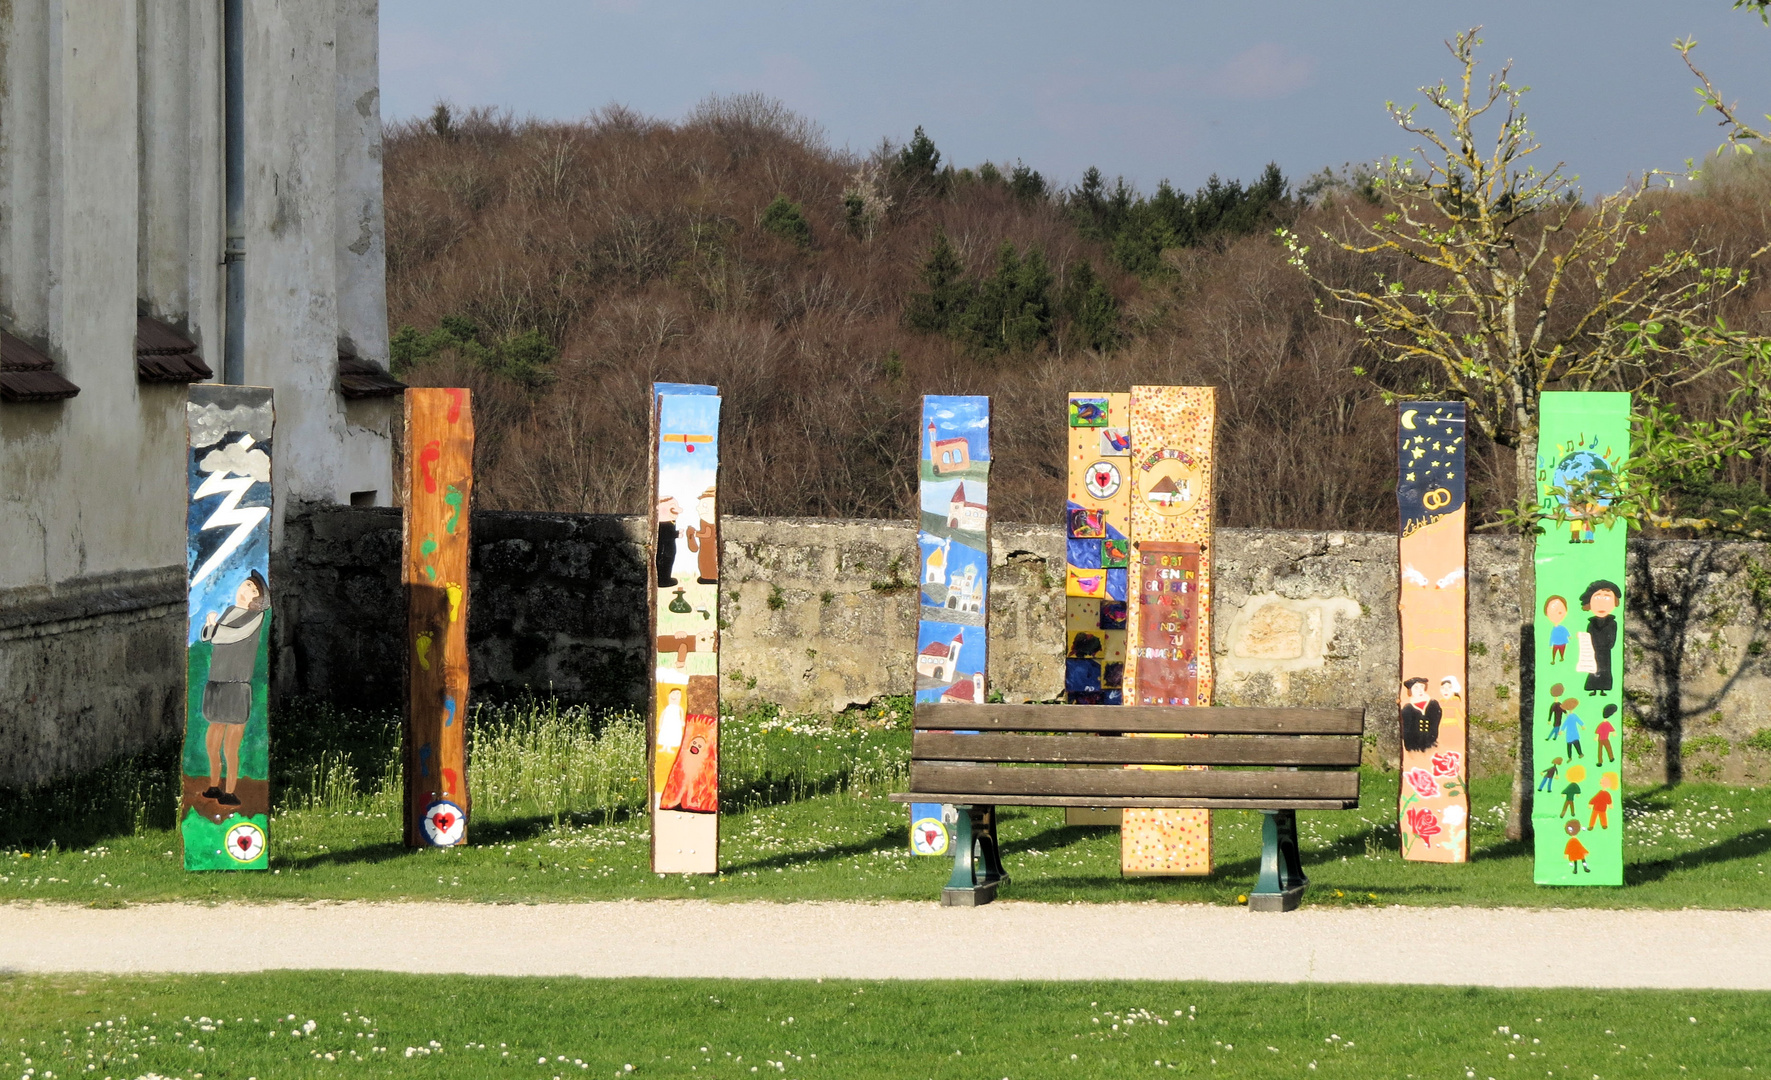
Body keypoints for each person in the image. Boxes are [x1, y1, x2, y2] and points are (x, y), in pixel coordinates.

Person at [199, 570, 269, 807]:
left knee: (232, 744)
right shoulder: (230, 611)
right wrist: (211, 626)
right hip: (217, 680)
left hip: (237, 684)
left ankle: (229, 790)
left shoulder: (255, 617)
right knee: (213, 737)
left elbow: (232, 635)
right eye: (246, 584)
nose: (245, 589)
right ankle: (213, 785)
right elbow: (209, 637)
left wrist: (214, 627)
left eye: (252, 588)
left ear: (258, 598)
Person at [1580, 580, 1622, 697]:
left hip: (1605, 650)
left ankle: (1604, 688)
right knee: (1593, 669)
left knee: (1605, 669)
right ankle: (1593, 688)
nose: (1602, 604)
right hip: (1594, 650)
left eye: (1607, 599)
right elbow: (1589, 635)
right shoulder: (1591, 623)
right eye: (1597, 599)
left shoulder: (1612, 623)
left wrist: (1609, 645)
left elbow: (1613, 635)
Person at [684, 486, 719, 585]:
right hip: (704, 548)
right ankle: (706, 575)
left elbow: (707, 534)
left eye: (704, 505)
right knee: (704, 560)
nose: (699, 508)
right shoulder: (704, 521)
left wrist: (695, 533)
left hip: (710, 549)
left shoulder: (711, 523)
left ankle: (711, 576)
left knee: (710, 559)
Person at [1399, 677, 1442, 752]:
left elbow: (1435, 724)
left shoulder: (1433, 704)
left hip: (1432, 744)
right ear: (1410, 691)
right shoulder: (1407, 709)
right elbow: (1406, 731)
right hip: (1414, 746)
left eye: (1422, 687)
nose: (1420, 690)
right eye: (1416, 688)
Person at [655, 497, 682, 587]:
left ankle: (666, 578)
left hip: (668, 550)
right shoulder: (663, 524)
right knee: (664, 564)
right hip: (665, 550)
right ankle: (663, 580)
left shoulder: (670, 521)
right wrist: (676, 534)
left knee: (668, 563)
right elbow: (665, 535)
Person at [1544, 596, 1570, 663]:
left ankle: (1561, 657)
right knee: (1555, 652)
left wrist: (1569, 635)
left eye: (1560, 612)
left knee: (1562, 651)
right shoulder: (1553, 629)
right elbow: (1551, 637)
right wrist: (1550, 644)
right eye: (1552, 612)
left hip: (1562, 642)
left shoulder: (1562, 627)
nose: (1556, 615)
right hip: (1556, 643)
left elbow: (1565, 631)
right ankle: (1553, 660)